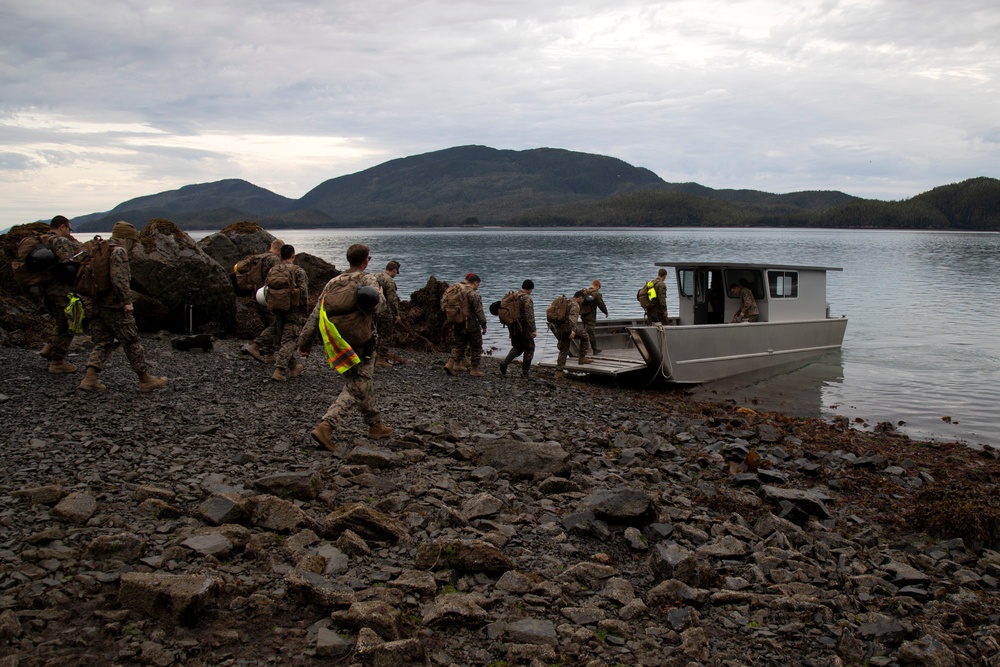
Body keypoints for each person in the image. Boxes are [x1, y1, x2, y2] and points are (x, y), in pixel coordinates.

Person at [298, 243, 392, 450]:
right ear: (366, 260)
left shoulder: (333, 282)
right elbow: (380, 307)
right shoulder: (368, 279)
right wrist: (381, 293)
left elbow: (317, 313)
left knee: (358, 380)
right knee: (358, 384)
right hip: (362, 340)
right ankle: (327, 426)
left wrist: (304, 341)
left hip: (338, 340)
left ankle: (375, 425)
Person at [78, 222, 168, 393]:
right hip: (115, 306)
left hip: (97, 304)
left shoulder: (99, 249)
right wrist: (126, 301)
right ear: (127, 238)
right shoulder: (118, 252)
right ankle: (145, 379)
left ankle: (90, 378)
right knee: (131, 341)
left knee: (103, 342)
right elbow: (119, 279)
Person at [39, 215, 82, 374]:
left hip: (46, 289)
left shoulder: (43, 240)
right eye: (69, 229)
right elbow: (67, 265)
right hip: (60, 290)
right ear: (62, 227)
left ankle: (50, 349)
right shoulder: (60, 241)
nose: (69, 232)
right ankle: (57, 362)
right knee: (68, 324)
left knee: (59, 322)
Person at [268, 245, 309, 382]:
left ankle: (293, 367)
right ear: (293, 255)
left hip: (276, 307)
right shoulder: (298, 271)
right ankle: (279, 370)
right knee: (290, 340)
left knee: (282, 338)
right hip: (292, 309)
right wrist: (305, 309)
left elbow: (267, 288)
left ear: (280, 255)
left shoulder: (273, 270)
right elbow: (303, 291)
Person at [241, 238, 285, 364]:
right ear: (279, 250)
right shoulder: (274, 260)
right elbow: (279, 278)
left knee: (268, 324)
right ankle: (255, 346)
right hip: (267, 296)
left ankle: (269, 354)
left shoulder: (258, 258)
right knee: (275, 325)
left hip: (255, 294)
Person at [444, 273, 487, 377]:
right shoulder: (473, 294)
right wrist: (484, 325)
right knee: (476, 346)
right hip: (471, 324)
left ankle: (450, 364)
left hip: (459, 322)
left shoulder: (459, 290)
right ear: (475, 282)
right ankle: (474, 369)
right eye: (478, 284)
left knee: (459, 345)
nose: (478, 286)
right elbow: (479, 311)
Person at [498, 279, 536, 377]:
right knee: (529, 348)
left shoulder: (514, 296)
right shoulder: (527, 298)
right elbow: (529, 316)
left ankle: (505, 363)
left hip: (513, 326)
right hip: (524, 328)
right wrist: (533, 330)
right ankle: (525, 372)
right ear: (530, 289)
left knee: (517, 347)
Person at [550, 291, 592, 379]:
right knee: (585, 336)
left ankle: (558, 372)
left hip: (559, 329)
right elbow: (572, 317)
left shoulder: (566, 303)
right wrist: (572, 330)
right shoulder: (575, 305)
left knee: (564, 350)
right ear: (580, 298)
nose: (583, 302)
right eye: (583, 300)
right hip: (568, 329)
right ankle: (582, 358)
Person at [374, 260, 402, 368]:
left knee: (377, 334)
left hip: (373, 310)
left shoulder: (375, 276)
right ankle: (380, 359)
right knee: (386, 335)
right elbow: (392, 300)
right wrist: (397, 314)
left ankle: (375, 355)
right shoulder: (389, 281)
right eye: (396, 272)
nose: (396, 274)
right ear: (394, 270)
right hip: (384, 311)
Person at [578, 278, 608, 355]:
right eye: (600, 287)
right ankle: (593, 350)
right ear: (597, 285)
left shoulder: (585, 292)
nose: (599, 289)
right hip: (590, 317)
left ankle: (589, 349)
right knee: (590, 333)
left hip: (583, 315)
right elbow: (601, 304)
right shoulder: (596, 294)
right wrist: (605, 312)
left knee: (586, 331)